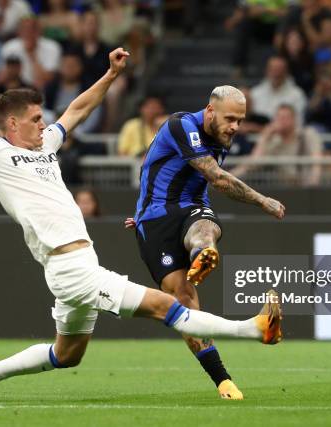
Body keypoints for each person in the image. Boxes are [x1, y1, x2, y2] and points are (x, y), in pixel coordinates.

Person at [0, 48, 283, 402]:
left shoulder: (44, 144)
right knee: (168, 304)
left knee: (67, 355)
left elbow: (77, 111)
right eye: (35, 119)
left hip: (79, 262)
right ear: (12, 123)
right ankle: (255, 328)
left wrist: (110, 76)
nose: (44, 124)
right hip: (68, 267)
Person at [124, 85, 285, 400]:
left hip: (191, 208)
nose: (235, 127)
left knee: (204, 226)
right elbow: (217, 177)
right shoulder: (181, 124)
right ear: (209, 111)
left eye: (240, 120)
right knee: (183, 301)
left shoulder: (223, 133)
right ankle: (223, 382)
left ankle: (203, 252)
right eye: (230, 119)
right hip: (155, 219)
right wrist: (263, 201)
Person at [233, 103, 323, 186]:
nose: (281, 121)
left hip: (307, 186)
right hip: (284, 189)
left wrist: (313, 186)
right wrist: (264, 137)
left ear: (294, 119)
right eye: (278, 118)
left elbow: (317, 162)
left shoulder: (307, 134)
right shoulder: (275, 142)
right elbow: (254, 163)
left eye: (284, 118)